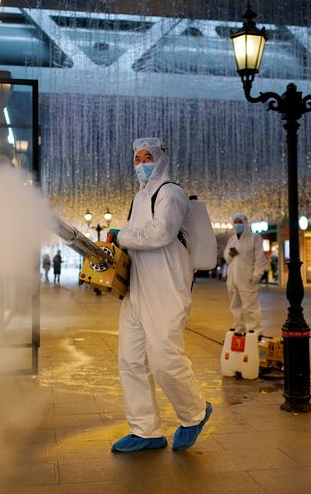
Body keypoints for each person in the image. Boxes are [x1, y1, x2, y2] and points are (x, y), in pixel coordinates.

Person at [108, 137, 211, 453]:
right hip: (137, 292)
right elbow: (135, 242)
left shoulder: (171, 193)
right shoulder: (139, 199)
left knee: (165, 358)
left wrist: (120, 235)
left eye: (147, 156)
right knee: (131, 360)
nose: (141, 163)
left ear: (162, 159)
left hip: (167, 291)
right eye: (137, 158)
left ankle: (194, 413)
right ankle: (145, 430)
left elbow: (161, 233)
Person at [224, 213, 269, 335]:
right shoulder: (232, 239)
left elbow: (260, 258)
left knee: (250, 306)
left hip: (247, 277)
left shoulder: (255, 238)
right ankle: (239, 328)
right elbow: (226, 258)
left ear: (245, 223)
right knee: (235, 305)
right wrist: (230, 254)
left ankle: (255, 330)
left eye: (240, 221)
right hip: (233, 277)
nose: (237, 224)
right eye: (235, 222)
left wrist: (256, 274)